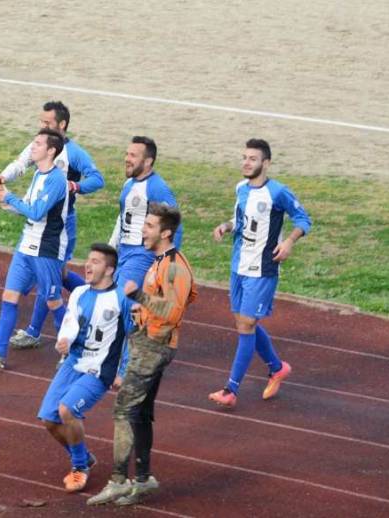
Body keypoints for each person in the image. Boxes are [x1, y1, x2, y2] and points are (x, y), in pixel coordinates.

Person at [86, 203, 197, 507]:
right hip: (150, 340)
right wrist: (144, 308)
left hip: (154, 348)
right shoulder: (159, 261)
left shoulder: (174, 265)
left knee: (123, 410)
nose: (142, 230)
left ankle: (119, 481)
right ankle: (144, 477)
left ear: (166, 232)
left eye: (149, 226)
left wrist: (138, 296)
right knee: (141, 413)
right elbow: (175, 301)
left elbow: (174, 312)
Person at [208, 139, 311, 408]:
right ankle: (277, 368)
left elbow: (304, 219)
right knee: (245, 324)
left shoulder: (278, 192)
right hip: (238, 266)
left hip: (263, 268)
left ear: (266, 163)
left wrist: (289, 242)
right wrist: (226, 225)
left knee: (246, 325)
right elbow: (239, 218)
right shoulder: (241, 188)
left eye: (252, 159)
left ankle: (230, 390)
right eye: (244, 157)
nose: (246, 162)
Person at [0, 101, 105, 350]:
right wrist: (4, 176)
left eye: (47, 123)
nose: (41, 127)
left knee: (52, 280)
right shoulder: (40, 147)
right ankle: (95, 300)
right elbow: (21, 163)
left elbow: (97, 179)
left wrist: (75, 186)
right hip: (39, 224)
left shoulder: (74, 153)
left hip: (61, 225)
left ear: (61, 124)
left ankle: (43, 329)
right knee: (58, 276)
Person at [38, 243, 134, 493]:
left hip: (99, 370)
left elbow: (133, 339)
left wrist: (123, 373)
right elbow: (70, 323)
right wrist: (65, 340)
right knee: (49, 420)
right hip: (73, 363)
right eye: (88, 260)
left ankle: (80, 466)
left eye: (96, 262)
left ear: (110, 269)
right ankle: (85, 456)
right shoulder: (80, 292)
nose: (88, 266)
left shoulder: (122, 299)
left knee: (67, 411)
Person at [0, 128, 69, 369]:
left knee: (53, 301)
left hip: (46, 248)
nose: (32, 147)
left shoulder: (57, 179)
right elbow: (28, 207)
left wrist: (11, 197)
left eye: (37, 144)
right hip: (26, 245)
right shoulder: (38, 175)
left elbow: (36, 212)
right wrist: (7, 203)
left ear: (51, 150)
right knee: (9, 297)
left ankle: (73, 353)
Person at [108, 136, 182, 290]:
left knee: (120, 299)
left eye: (133, 155)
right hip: (123, 252)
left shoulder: (157, 187)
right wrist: (112, 246)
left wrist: (170, 265)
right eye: (127, 154)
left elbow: (176, 225)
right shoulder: (128, 184)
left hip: (142, 254)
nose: (127, 159)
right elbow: (122, 217)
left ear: (148, 161)